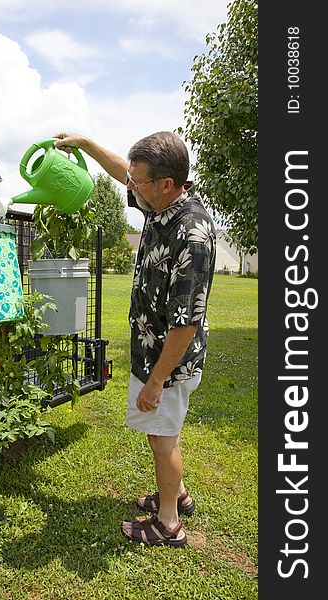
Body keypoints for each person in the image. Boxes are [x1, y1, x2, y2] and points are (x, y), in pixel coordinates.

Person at [54, 131, 216, 547]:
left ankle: (169, 524)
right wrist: (86, 144)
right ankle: (175, 494)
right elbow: (122, 173)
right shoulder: (159, 205)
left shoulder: (192, 234)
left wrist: (157, 381)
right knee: (160, 431)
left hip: (170, 362)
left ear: (166, 183)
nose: (131, 186)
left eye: (138, 182)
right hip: (150, 350)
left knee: (163, 437)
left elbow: (185, 324)